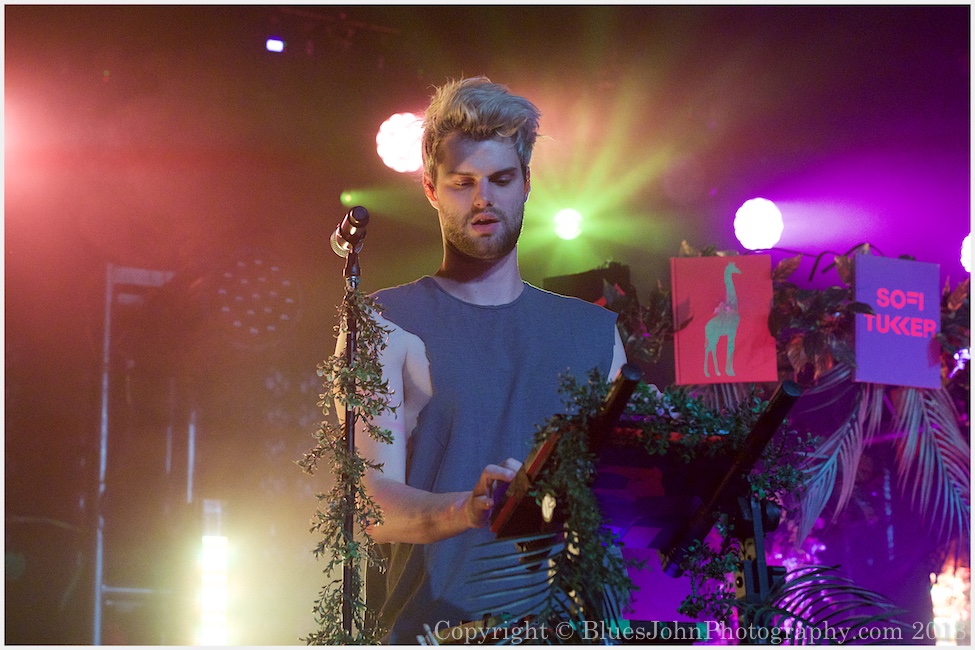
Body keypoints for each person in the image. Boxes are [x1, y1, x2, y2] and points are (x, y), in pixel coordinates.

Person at [347, 76, 627, 643]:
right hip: (433, 629)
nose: (483, 200)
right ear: (429, 188)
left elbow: (623, 488)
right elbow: (367, 503)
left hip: (576, 631)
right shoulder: (383, 321)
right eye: (462, 183)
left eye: (501, 180)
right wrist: (467, 510)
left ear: (527, 183)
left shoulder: (595, 332)